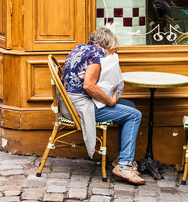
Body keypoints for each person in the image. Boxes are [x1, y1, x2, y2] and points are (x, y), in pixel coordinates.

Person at [60, 27, 145, 185]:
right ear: (107, 45)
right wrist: (110, 101)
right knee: (134, 115)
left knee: (130, 105)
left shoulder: (80, 48)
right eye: (114, 49)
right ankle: (125, 166)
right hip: (79, 107)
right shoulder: (97, 54)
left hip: (68, 103)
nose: (113, 53)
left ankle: (121, 159)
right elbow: (88, 86)